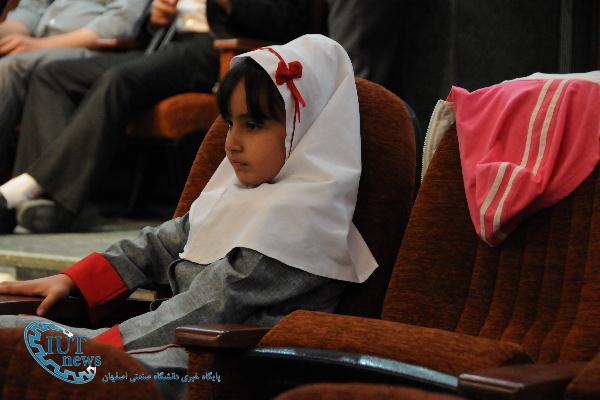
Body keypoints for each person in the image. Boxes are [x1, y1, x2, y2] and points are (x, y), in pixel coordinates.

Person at [0, 34, 377, 400]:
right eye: (230, 123)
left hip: (213, 370)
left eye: (252, 125)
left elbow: (208, 304)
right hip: (161, 344)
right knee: (11, 331)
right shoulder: (244, 192)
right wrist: (75, 279)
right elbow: (163, 243)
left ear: (305, 129)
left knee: (32, 359)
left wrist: (98, 348)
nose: (231, 143)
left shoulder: (302, 224)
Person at [0, 0, 310, 233]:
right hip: (166, 45)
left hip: (215, 48)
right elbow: (152, 24)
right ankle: (45, 203)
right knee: (52, 76)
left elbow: (289, 20)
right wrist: (156, 18)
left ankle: (30, 193)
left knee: (119, 80)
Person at [0, 0, 149, 181]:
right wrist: (13, 32)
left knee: (10, 68)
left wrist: (38, 45)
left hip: (92, 50)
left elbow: (118, 25)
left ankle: (35, 189)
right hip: (35, 43)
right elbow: (31, 10)